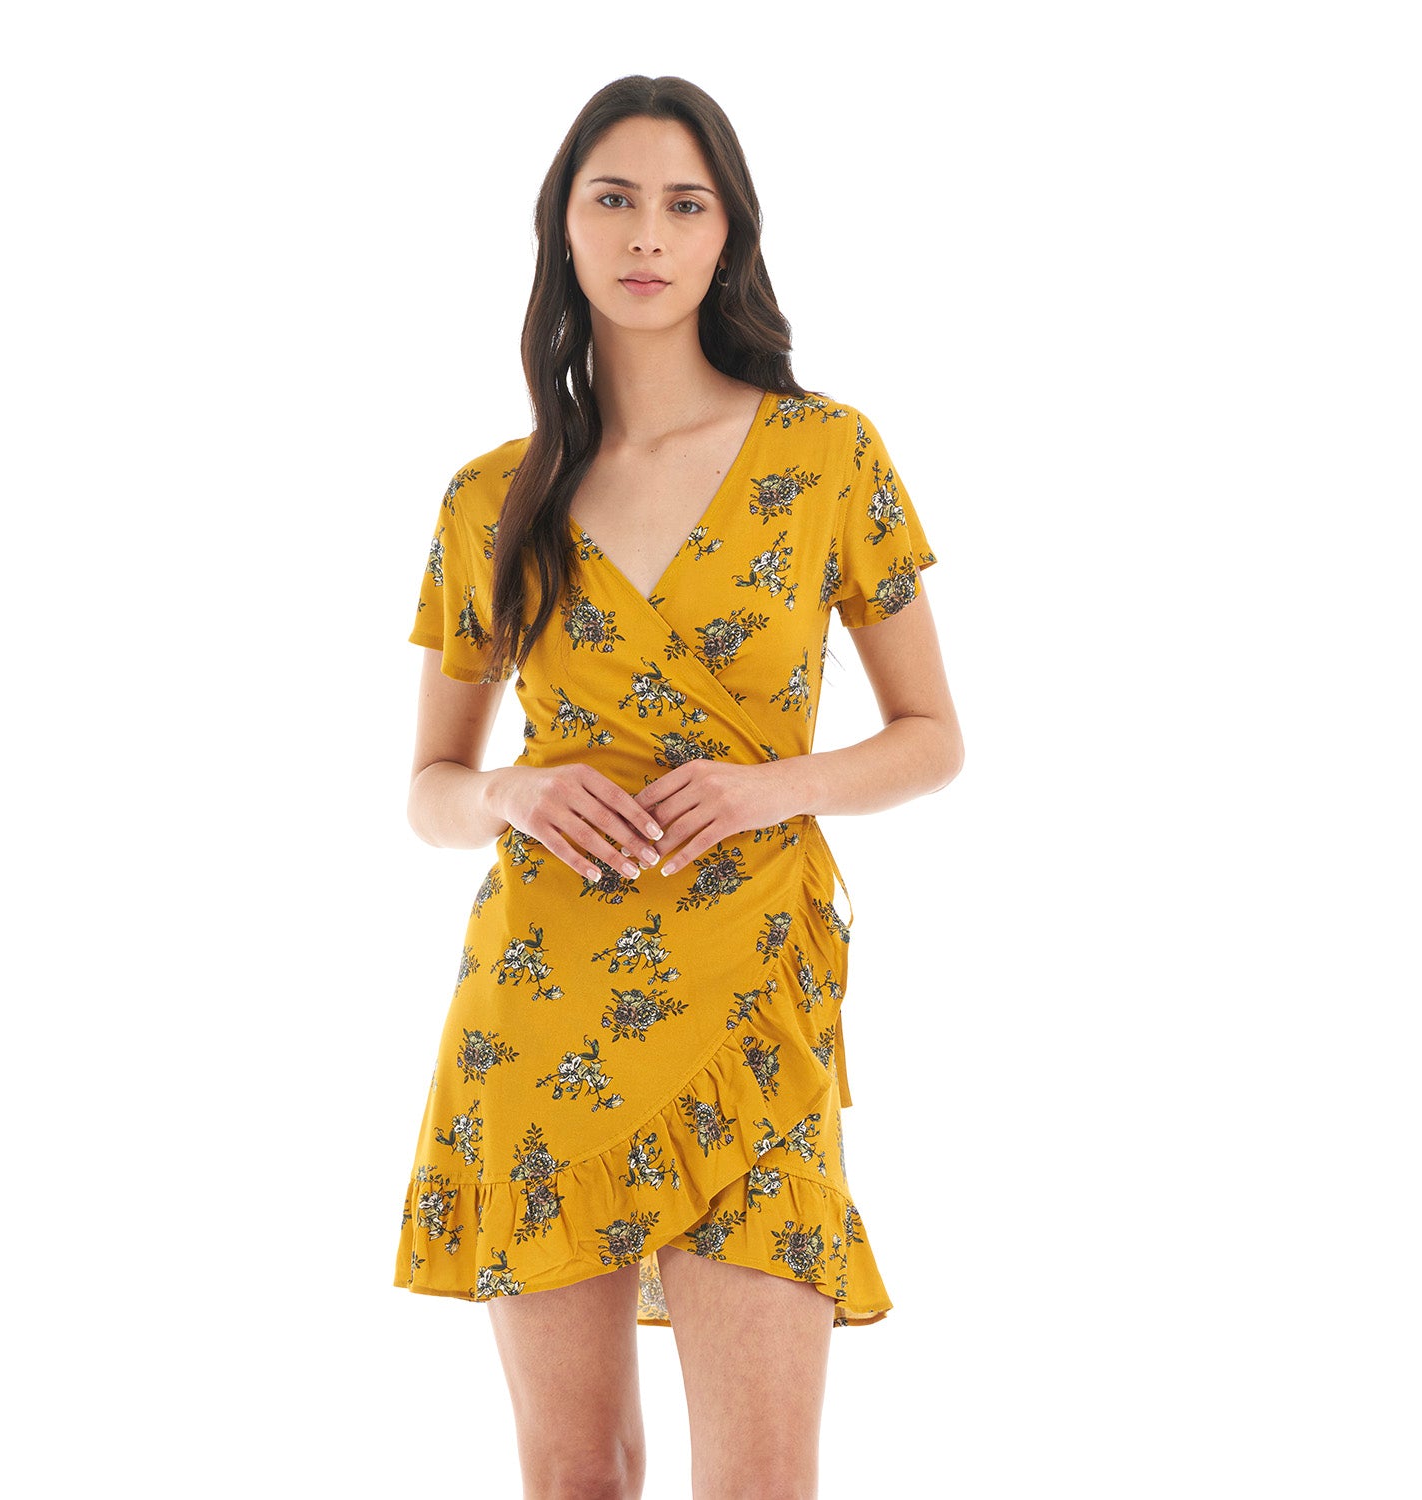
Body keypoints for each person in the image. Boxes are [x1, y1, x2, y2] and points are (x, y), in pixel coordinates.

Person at [394, 74, 963, 1500]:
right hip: (543, 1002)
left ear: (727, 237)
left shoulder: (824, 454)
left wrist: (777, 789)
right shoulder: (491, 497)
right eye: (615, 198)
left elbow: (931, 736)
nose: (648, 232)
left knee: (761, 1477)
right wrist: (509, 797)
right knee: (575, 1472)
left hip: (752, 989)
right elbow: (431, 786)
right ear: (564, 229)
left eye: (684, 203)